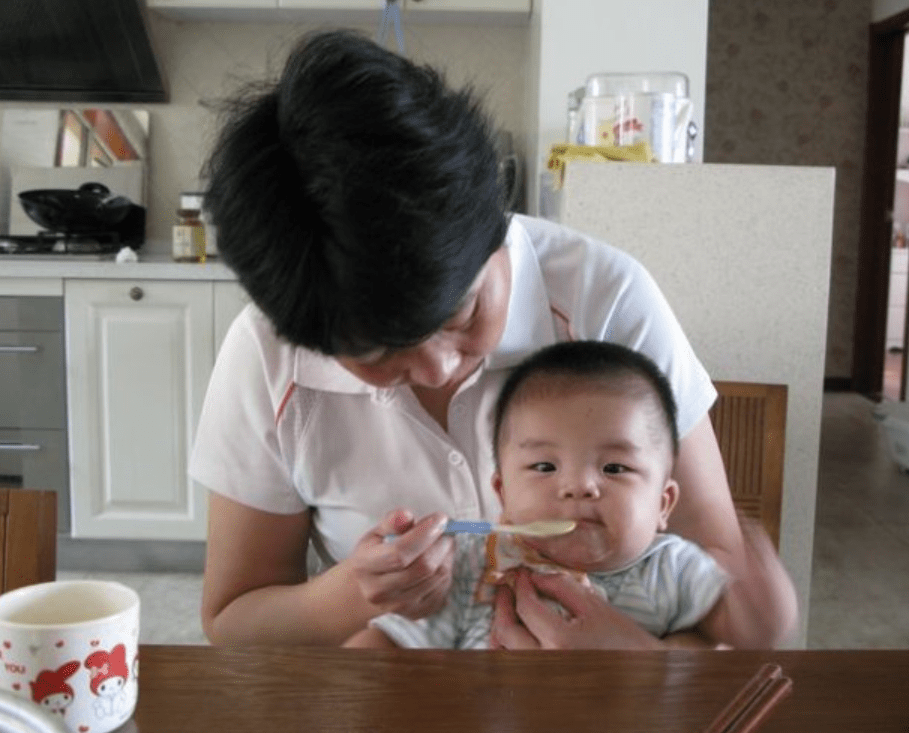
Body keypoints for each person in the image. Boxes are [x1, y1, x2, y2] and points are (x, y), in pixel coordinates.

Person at [191, 28, 797, 649]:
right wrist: (352, 595)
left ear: (497, 222)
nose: (436, 367)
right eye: (377, 353)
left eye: (461, 313)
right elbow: (235, 622)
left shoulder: (606, 300)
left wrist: (635, 665)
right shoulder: (269, 354)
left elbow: (721, 575)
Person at [346, 341, 780, 650]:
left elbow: (743, 634)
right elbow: (390, 642)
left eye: (614, 468)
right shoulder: (475, 565)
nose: (578, 486)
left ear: (663, 504)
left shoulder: (669, 569)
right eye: (544, 467)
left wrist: (764, 607)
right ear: (503, 493)